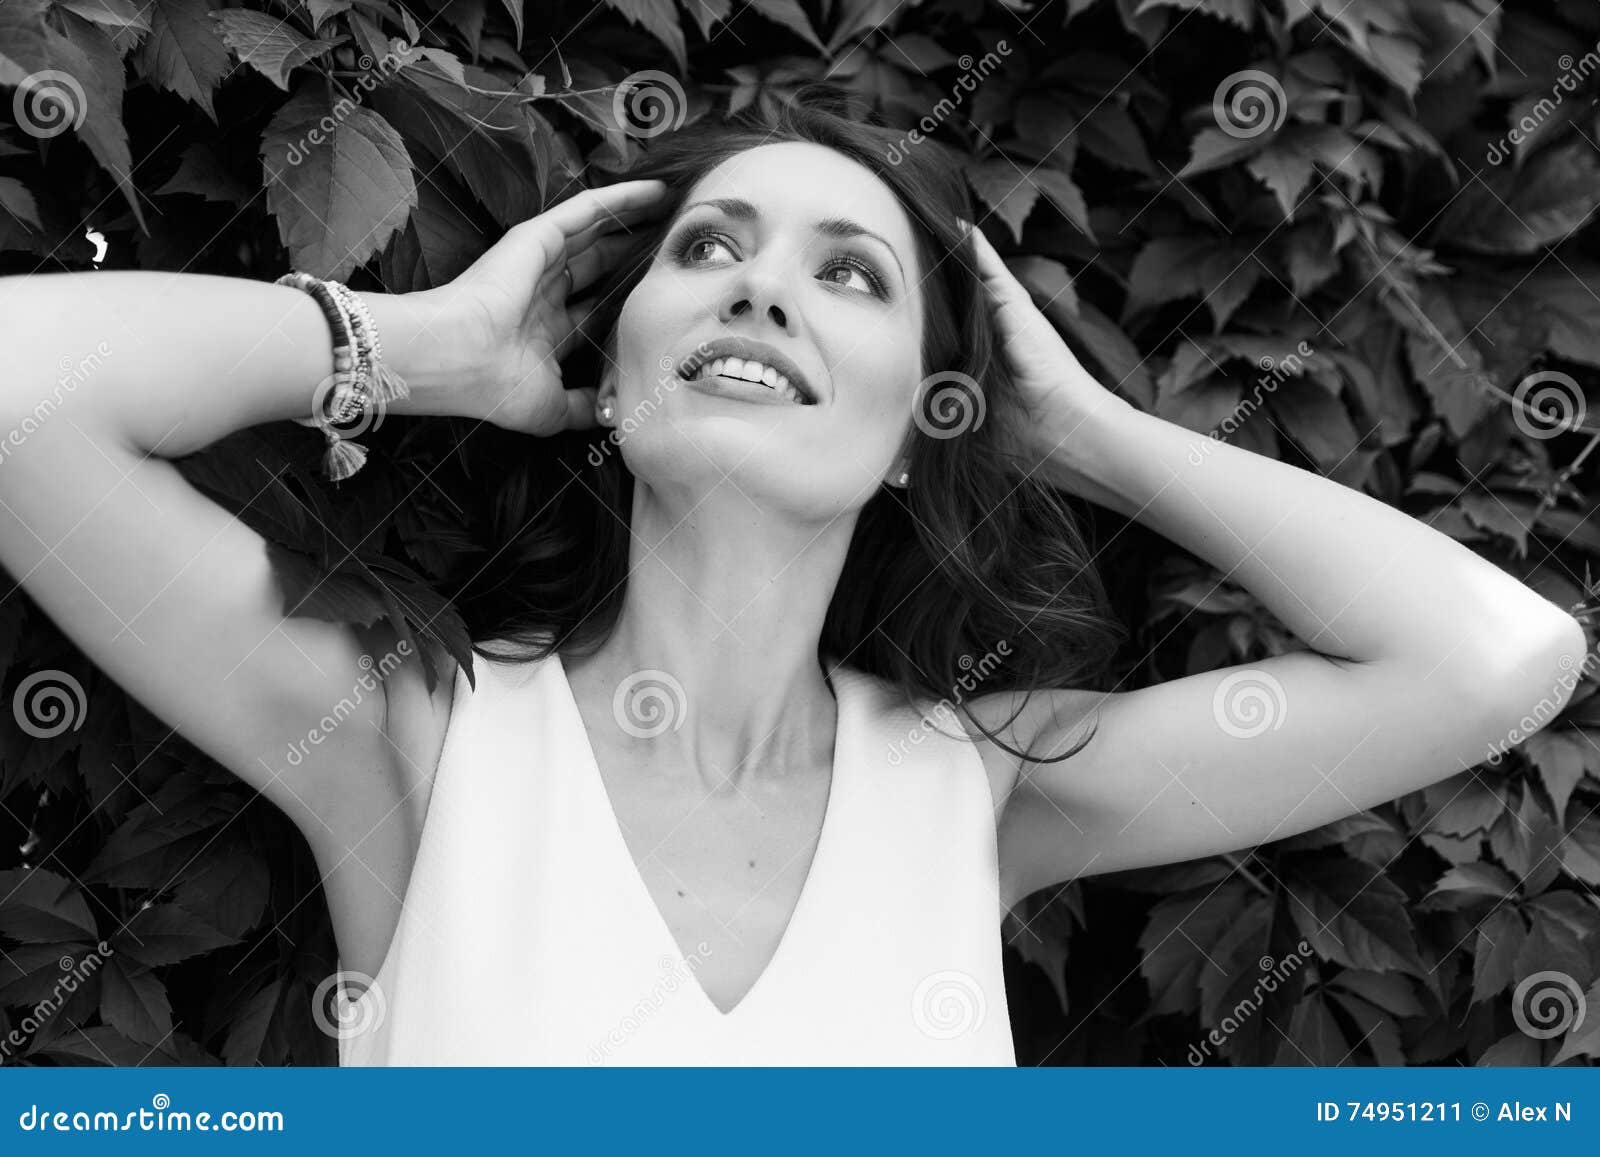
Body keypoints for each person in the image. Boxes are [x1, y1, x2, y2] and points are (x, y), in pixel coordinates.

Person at [0, 85, 1583, 1066]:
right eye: (707, 249)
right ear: (608, 376)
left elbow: (1497, 657)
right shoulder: (410, 743)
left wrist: (1087, 429)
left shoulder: (984, 789)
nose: (762, 289)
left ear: (924, 421)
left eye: (851, 275)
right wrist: (428, 351)